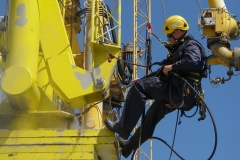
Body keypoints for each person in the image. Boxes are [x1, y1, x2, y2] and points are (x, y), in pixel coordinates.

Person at [104, 15, 207, 158]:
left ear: (177, 32)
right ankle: (128, 147)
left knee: (139, 88)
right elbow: (160, 71)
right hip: (180, 95)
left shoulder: (191, 45)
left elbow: (193, 60)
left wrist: (171, 67)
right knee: (151, 118)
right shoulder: (177, 50)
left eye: (170, 36)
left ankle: (123, 128)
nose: (168, 39)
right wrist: (143, 79)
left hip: (181, 91)